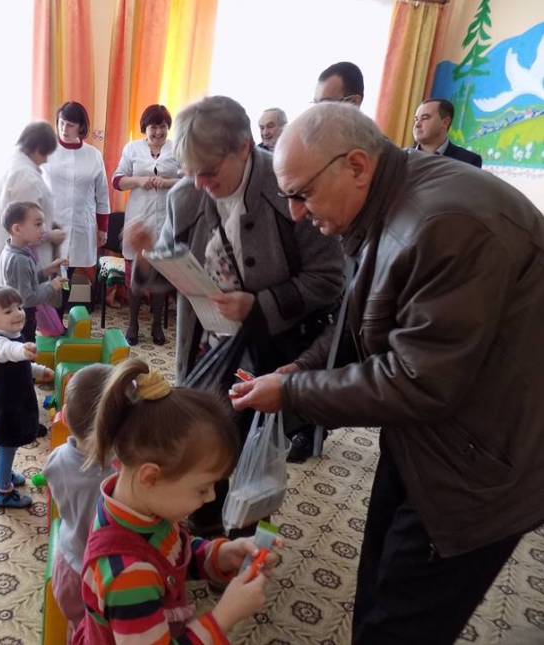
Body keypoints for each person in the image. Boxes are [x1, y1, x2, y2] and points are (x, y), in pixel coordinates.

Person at [231, 102, 544, 644]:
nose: (297, 214)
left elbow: (417, 381)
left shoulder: (446, 225)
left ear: (355, 164)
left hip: (474, 469)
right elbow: (363, 318)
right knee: (378, 588)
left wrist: (294, 391)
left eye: (302, 194)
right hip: (427, 442)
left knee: (401, 621)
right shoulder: (394, 198)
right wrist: (303, 367)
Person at [126, 95, 345, 528]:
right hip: (206, 348)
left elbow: (330, 278)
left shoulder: (288, 190)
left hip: (271, 352)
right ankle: (203, 537)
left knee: (248, 452)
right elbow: (168, 275)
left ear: (244, 147)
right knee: (200, 447)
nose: (200, 183)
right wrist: (147, 258)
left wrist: (259, 306)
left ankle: (238, 536)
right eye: (191, 171)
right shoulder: (186, 196)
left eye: (210, 171)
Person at [73, 358, 283, 644]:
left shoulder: (139, 507)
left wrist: (221, 554)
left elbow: (172, 550)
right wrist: (224, 616)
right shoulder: (130, 578)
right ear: (150, 476)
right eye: (202, 488)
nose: (211, 497)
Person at [41, 363, 115, 641]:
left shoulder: (56, 458)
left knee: (78, 626)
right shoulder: (118, 478)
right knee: (100, 632)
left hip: (67, 562)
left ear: (65, 417)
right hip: (100, 575)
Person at [0, 287, 54, 509]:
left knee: (9, 447)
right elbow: (11, 351)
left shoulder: (13, 336)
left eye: (19, 307)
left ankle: (1, 473)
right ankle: (4, 492)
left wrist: (39, 370)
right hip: (5, 407)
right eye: (8, 311)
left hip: (15, 401)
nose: (18, 313)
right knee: (7, 447)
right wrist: (24, 350)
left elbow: (20, 364)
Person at [112, 104, 180, 345]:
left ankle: (157, 325)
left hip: (166, 219)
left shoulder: (177, 148)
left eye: (163, 127)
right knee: (135, 279)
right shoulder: (132, 148)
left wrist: (166, 182)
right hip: (138, 221)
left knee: (160, 277)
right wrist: (139, 180)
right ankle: (133, 324)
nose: (159, 132)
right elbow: (117, 181)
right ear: (145, 127)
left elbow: (189, 180)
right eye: (154, 127)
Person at [0, 121, 66, 291]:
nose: (46, 160)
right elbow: (27, 226)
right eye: (45, 154)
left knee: (2, 302)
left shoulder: (4, 163)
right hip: (17, 259)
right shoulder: (26, 177)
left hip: (0, 250)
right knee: (20, 303)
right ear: (37, 148)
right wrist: (51, 235)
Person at [44, 101, 111, 278]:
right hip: (51, 224)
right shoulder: (46, 150)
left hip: (81, 225)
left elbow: (102, 194)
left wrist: (103, 228)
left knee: (67, 275)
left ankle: (63, 297)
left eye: (70, 125)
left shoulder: (93, 155)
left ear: (81, 127)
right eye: (61, 123)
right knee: (48, 277)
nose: (64, 129)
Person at [0, 201, 67, 342]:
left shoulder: (13, 250)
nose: (43, 230)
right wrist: (51, 287)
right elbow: (27, 298)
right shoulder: (20, 259)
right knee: (25, 349)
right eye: (38, 224)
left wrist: (47, 271)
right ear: (17, 229)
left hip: (16, 315)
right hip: (20, 320)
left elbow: (24, 281)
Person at [413, 98, 483, 168]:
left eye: (425, 118)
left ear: (445, 122)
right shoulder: (407, 156)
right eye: (416, 119)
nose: (417, 125)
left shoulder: (468, 160)